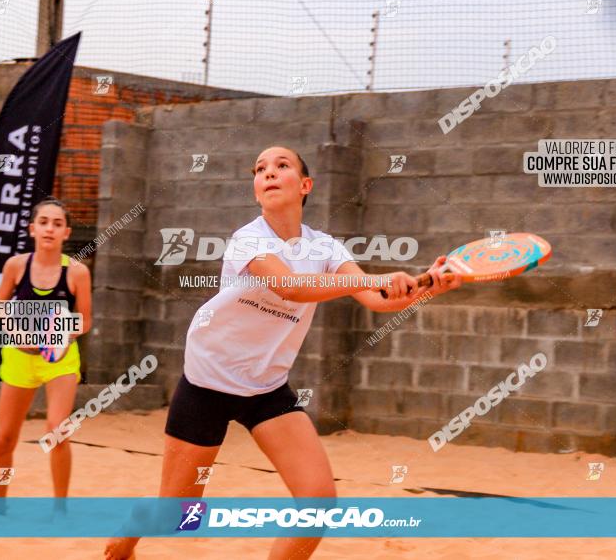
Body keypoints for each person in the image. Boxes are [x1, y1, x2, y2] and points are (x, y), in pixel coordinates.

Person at [106, 146, 461, 559]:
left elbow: (377, 298)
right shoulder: (248, 239)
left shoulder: (325, 247)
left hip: (266, 388)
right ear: (257, 191)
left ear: (305, 186)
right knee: (178, 516)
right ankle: (134, 526)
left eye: (281, 166)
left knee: (318, 501)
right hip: (208, 381)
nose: (269, 173)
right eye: (260, 170)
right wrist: (374, 280)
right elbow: (290, 287)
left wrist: (425, 287)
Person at [0, 197, 92, 509]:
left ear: (66, 233)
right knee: (5, 437)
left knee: (56, 431)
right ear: (32, 229)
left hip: (59, 360)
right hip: (19, 357)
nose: (50, 228)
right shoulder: (15, 266)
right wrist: (14, 331)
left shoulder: (77, 272)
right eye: (44, 222)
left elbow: (86, 319)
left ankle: (60, 509)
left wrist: (62, 334)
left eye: (57, 224)